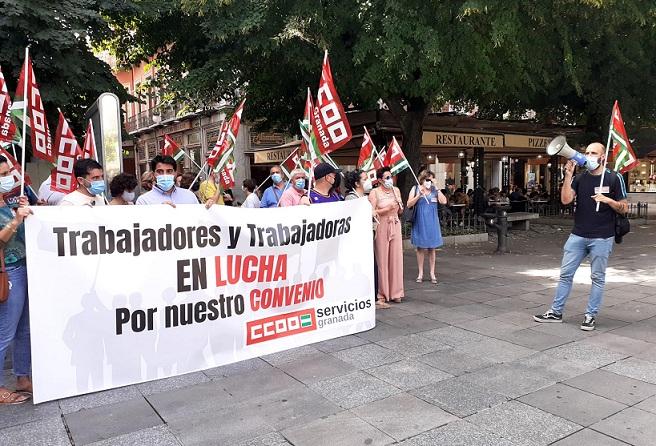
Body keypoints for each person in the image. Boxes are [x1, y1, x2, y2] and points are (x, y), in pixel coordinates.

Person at [534, 142, 628, 331]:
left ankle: (590, 315)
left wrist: (608, 200)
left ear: (603, 157)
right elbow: (566, 200)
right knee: (565, 275)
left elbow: (624, 208)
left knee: (598, 278)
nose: (589, 155)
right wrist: (568, 176)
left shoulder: (614, 178)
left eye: (594, 153)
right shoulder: (580, 178)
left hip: (602, 236)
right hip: (578, 235)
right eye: (587, 152)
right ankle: (556, 312)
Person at [0, 155, 33, 404]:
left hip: (22, 268)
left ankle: (22, 377)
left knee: (23, 329)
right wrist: (16, 220)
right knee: (5, 332)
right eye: (2, 175)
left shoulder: (4, 203)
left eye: (7, 172)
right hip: (8, 273)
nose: (8, 178)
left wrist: (22, 212)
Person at [369, 167, 404, 307]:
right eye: (387, 177)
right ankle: (382, 293)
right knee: (382, 259)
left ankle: (396, 292)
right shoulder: (374, 192)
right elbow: (372, 212)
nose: (390, 180)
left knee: (396, 258)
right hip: (382, 225)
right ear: (380, 180)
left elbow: (401, 210)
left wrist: (399, 206)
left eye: (391, 176)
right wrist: (386, 209)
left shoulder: (396, 191)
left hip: (395, 223)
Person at [407, 170, 447, 284]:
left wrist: (437, 187)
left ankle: (432, 273)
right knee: (420, 248)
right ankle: (420, 273)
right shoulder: (415, 189)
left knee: (432, 248)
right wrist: (419, 196)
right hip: (420, 221)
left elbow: (444, 201)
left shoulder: (435, 190)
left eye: (431, 179)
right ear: (422, 179)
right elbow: (409, 204)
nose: (429, 182)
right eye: (427, 179)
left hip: (432, 222)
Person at [136, 155, 202, 206]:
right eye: (160, 171)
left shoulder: (189, 196)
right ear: (153, 174)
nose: (165, 175)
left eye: (169, 171)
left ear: (175, 173)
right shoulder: (143, 201)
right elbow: (141, 223)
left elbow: (199, 219)